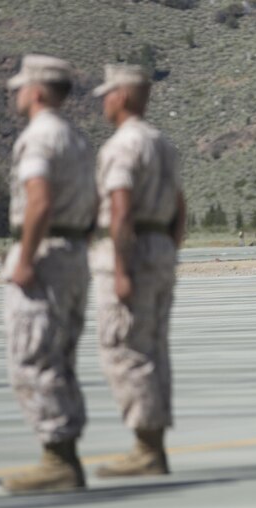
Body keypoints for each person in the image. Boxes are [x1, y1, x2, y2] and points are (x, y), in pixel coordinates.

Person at [0, 54, 97, 493]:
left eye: (20, 86)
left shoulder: (39, 137)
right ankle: (66, 454)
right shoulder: (76, 139)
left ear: (36, 91)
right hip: (73, 252)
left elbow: (38, 200)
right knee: (60, 357)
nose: (15, 93)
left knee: (34, 356)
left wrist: (25, 254)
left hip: (45, 254)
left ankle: (57, 458)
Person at [91, 64, 186, 477]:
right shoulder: (161, 143)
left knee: (126, 347)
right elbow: (180, 207)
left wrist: (122, 267)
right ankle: (153, 444)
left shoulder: (122, 145)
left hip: (131, 249)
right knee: (153, 347)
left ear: (123, 97)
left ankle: (145, 446)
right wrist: (167, 249)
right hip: (160, 247)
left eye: (107, 93)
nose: (102, 101)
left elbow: (120, 208)